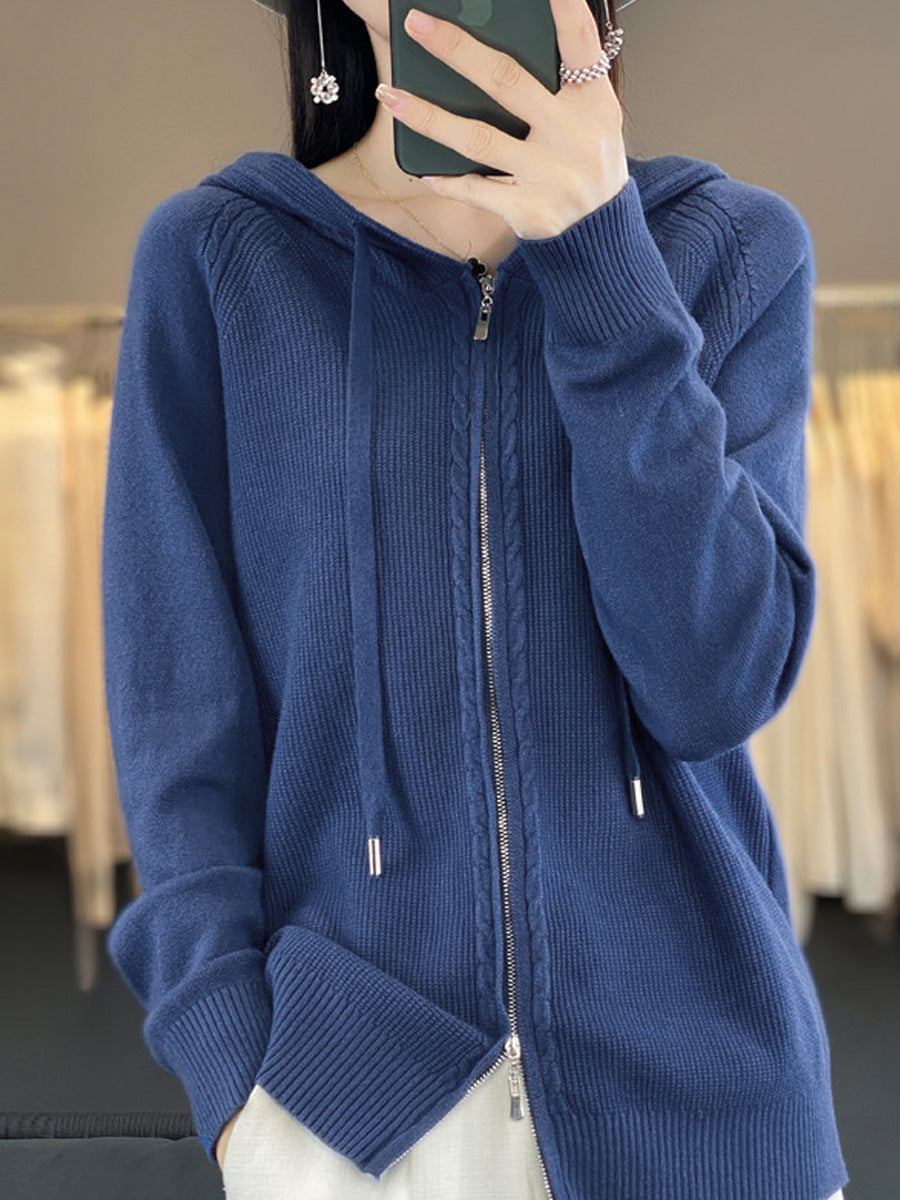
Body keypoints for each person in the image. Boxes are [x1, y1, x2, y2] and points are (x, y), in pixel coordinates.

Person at [101, 0, 851, 1197]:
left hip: (705, 1112)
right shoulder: (220, 262)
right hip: (350, 1110)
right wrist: (232, 1076)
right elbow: (176, 713)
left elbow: (717, 686)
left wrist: (600, 256)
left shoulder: (728, 250)